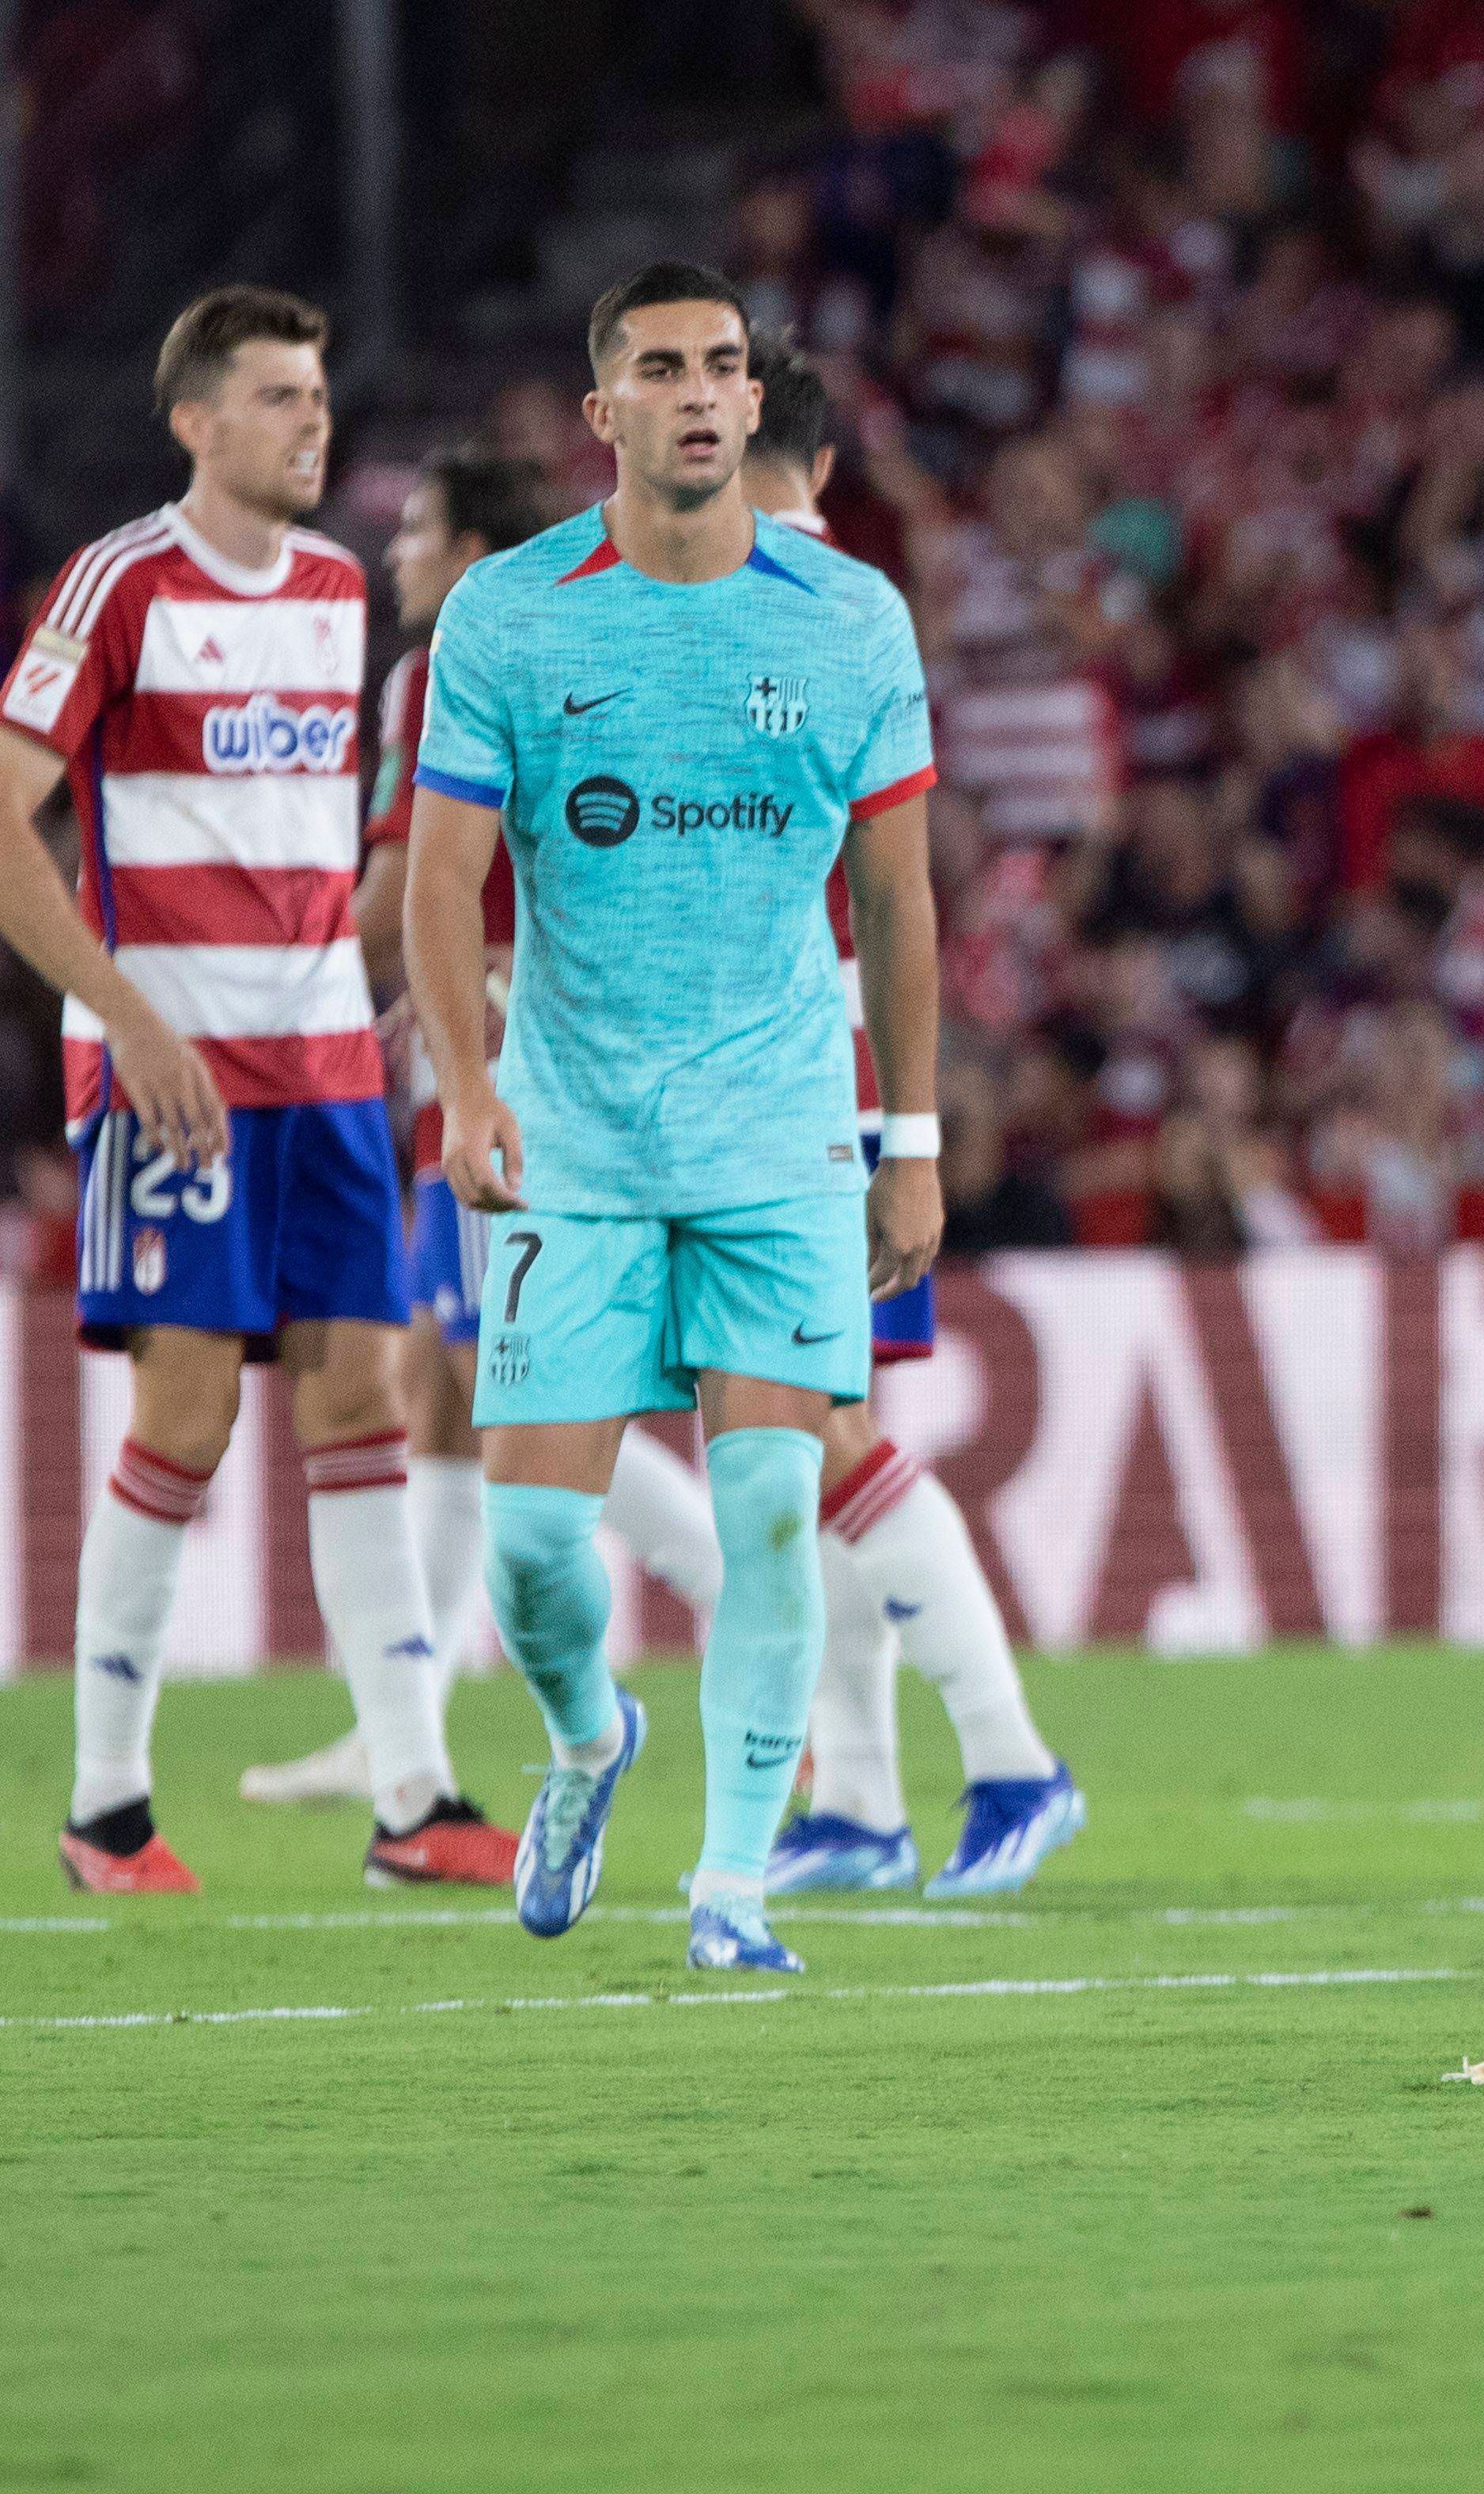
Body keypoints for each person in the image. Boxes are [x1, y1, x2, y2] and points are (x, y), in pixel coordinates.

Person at [403, 262, 945, 1973]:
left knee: (771, 1507)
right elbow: (440, 878)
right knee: (535, 1545)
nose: (704, 393)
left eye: (723, 365)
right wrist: (467, 1085)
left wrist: (909, 1136)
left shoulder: (850, 617)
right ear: (604, 414)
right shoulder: (509, 614)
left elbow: (900, 896)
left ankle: (733, 1886)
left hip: (783, 1131)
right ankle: (584, 1743)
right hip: (572, 1130)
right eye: (663, 368)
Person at [0, 286, 499, 1892]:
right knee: (192, 1414)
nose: (314, 422)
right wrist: (123, 1018)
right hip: (175, 1075)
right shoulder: (117, 585)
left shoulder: (343, 589)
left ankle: (416, 1798)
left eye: (320, 395)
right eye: (280, 397)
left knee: (357, 1393)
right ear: (196, 422)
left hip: (329, 1072)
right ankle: (105, 1807)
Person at [238, 443, 730, 1814]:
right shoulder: (590, 639)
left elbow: (404, 890)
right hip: (522, 1048)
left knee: (499, 1375)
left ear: (468, 554)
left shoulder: (444, 663)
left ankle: (732, 1596)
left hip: (494, 1067)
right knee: (445, 1403)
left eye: (417, 534)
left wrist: (258, 991)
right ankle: (407, 1724)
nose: (394, 554)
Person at [740, 333, 1083, 1897]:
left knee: (817, 1427)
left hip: (800, 1075)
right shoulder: (827, 605)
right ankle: (860, 1802)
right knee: (796, 1440)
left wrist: (909, 1134)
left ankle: (1012, 1759)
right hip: (797, 1076)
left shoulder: (790, 606)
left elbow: (890, 892)